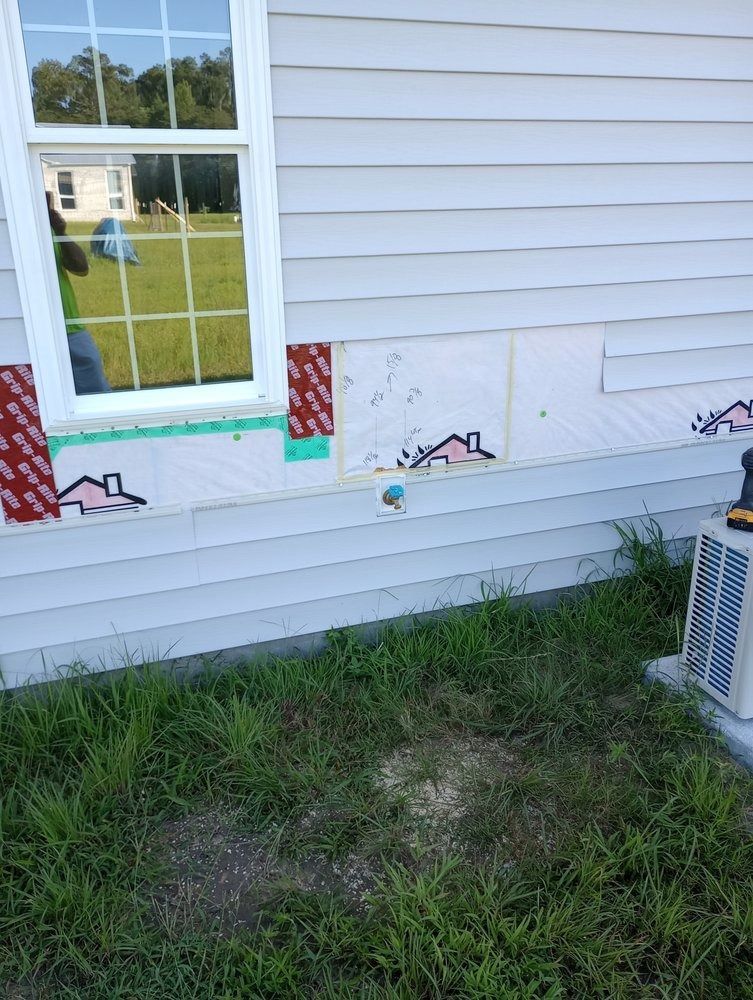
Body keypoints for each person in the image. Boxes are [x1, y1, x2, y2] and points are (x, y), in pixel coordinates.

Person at [47, 191, 111, 395]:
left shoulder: (49, 231)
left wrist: (60, 232)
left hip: (69, 325)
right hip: (33, 330)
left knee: (95, 390)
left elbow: (81, 268)